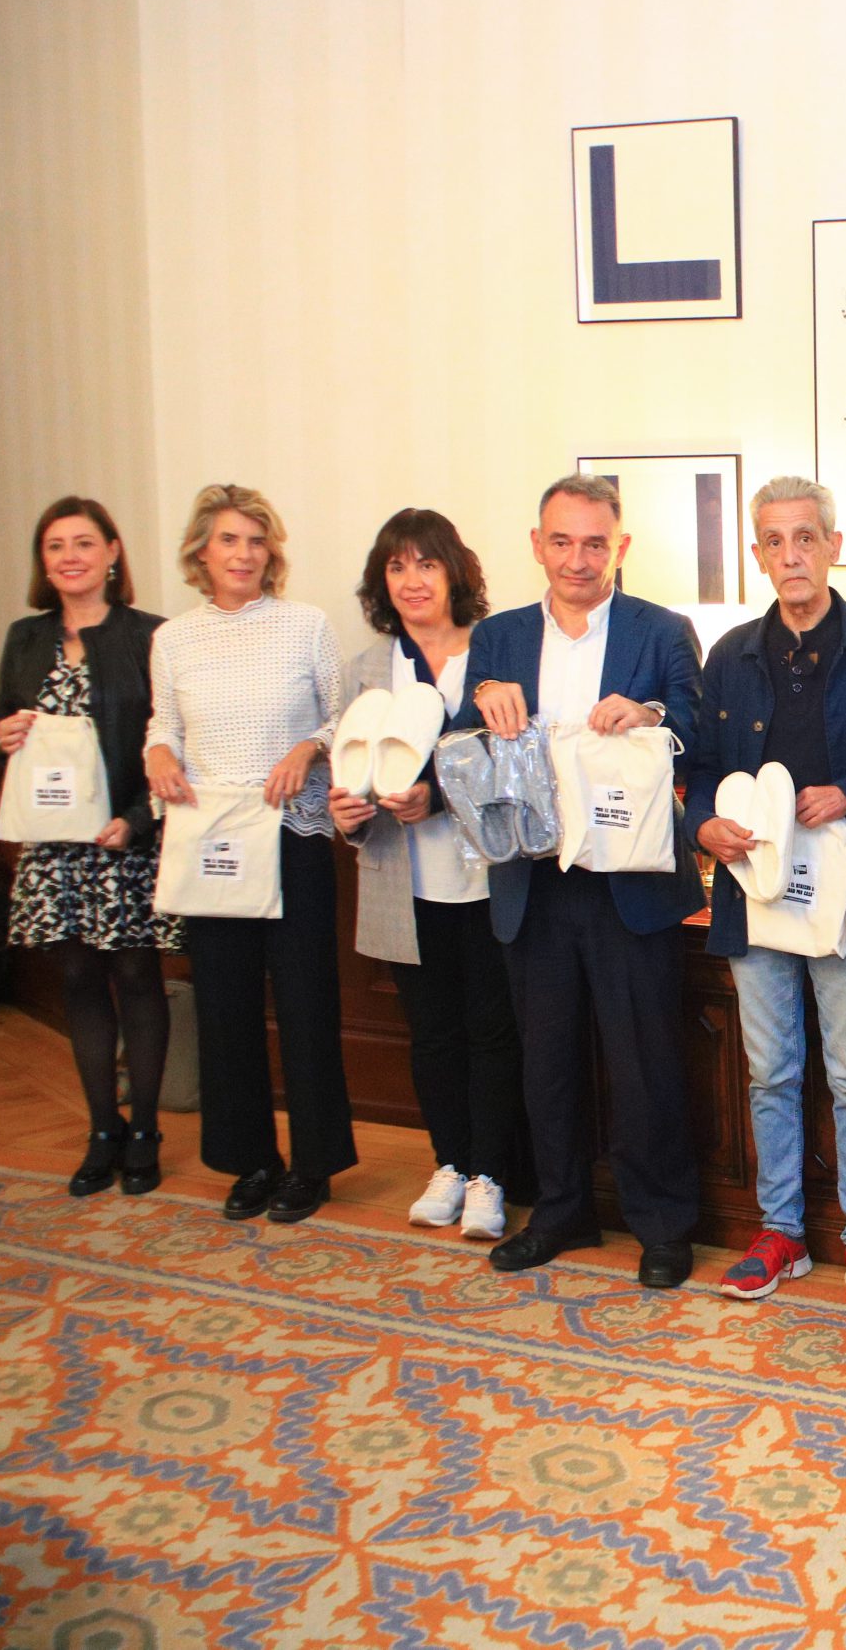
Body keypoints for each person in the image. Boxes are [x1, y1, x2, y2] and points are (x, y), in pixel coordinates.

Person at [459, 473, 706, 1289]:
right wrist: (481, 700)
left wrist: (651, 715)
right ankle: (561, 1210)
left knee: (645, 1064)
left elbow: (698, 726)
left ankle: (663, 1223)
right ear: (537, 545)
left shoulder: (662, 630)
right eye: (561, 541)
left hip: (628, 882)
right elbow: (460, 746)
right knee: (548, 1063)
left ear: (619, 546)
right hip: (533, 882)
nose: (577, 558)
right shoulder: (496, 638)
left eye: (594, 542)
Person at [684, 476, 846, 1310]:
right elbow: (699, 771)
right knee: (770, 1071)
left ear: (833, 546)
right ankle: (780, 1231)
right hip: (752, 892)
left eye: (806, 537)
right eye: (774, 541)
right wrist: (706, 823)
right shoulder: (729, 655)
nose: (791, 555)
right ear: (758, 554)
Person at [144, 483, 355, 1223]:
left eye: (256, 540)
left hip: (293, 838)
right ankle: (251, 1160)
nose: (244, 554)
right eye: (229, 540)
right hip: (215, 845)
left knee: (305, 1004)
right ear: (201, 552)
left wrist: (308, 748)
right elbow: (164, 725)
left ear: (272, 552)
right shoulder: (173, 639)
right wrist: (157, 753)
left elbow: (343, 719)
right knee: (225, 1007)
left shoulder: (306, 626)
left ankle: (312, 1165)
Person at [327, 509, 522, 1244]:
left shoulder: (499, 651)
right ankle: (450, 1163)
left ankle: (491, 1174)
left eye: (427, 564)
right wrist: (348, 812)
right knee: (433, 1033)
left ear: (455, 572)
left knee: (493, 1030)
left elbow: (520, 761)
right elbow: (349, 777)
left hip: (489, 877)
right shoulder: (366, 671)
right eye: (397, 566)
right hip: (403, 883)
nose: (412, 580)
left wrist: (434, 795)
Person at [0, 496, 178, 1196]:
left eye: (83, 543)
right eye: (55, 546)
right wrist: (1, 737)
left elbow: (170, 741)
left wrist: (137, 819)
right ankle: (103, 1129)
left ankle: (146, 1130)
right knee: (77, 981)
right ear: (43, 562)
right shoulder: (24, 638)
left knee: (137, 978)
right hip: (54, 846)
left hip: (124, 837)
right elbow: (5, 732)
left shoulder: (150, 636)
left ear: (112, 552)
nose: (70, 557)